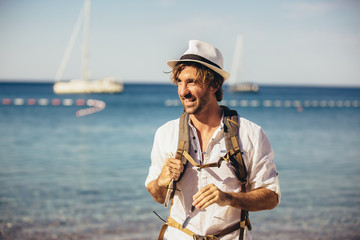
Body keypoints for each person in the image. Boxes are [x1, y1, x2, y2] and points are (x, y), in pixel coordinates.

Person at [145, 40, 280, 240]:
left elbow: (271, 197)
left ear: (214, 85)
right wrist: (162, 180)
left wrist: (228, 198)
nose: (183, 91)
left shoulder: (250, 133)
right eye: (180, 82)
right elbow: (157, 196)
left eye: (191, 82)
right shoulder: (166, 133)